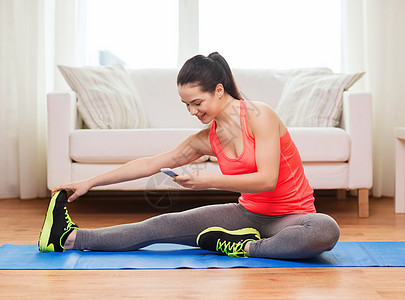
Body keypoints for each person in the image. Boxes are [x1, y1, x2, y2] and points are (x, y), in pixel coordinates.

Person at [38, 52, 340, 259]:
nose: (193, 112)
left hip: (293, 218)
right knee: (158, 225)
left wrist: (207, 181)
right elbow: (151, 163)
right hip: (246, 215)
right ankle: (67, 238)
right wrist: (89, 182)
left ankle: (244, 248)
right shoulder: (208, 138)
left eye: (197, 102)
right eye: (187, 105)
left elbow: (267, 180)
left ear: (219, 90)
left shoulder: (261, 115)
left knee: (325, 230)